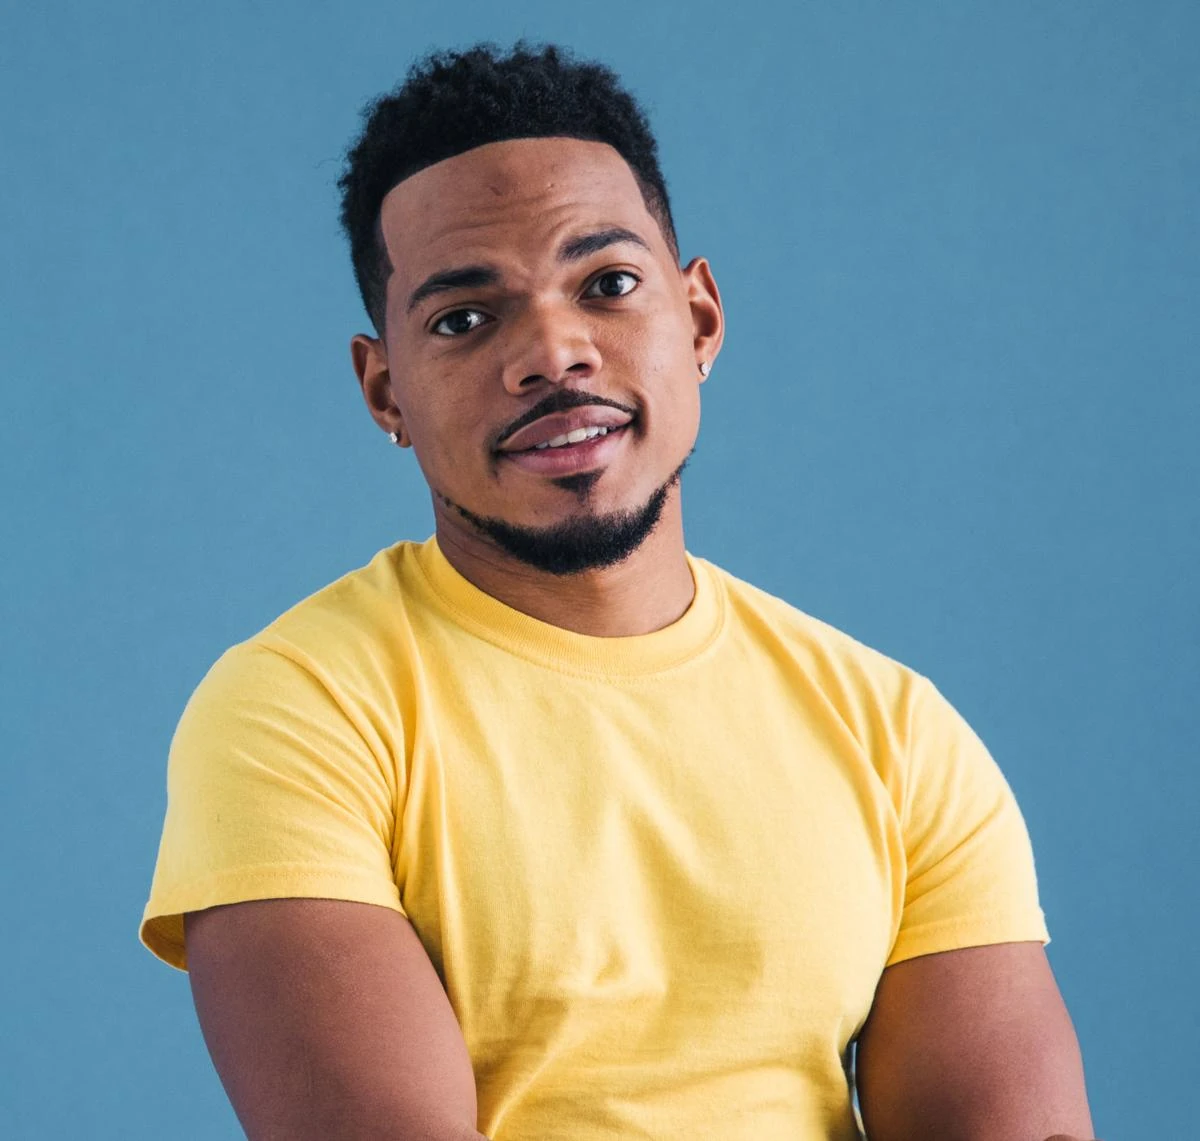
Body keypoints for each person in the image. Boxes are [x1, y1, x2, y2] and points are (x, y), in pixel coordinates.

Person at [140, 42, 1098, 1141]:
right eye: (463, 318)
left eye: (608, 285)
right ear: (385, 389)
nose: (553, 353)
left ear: (699, 320)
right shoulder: (298, 709)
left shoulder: (897, 733)